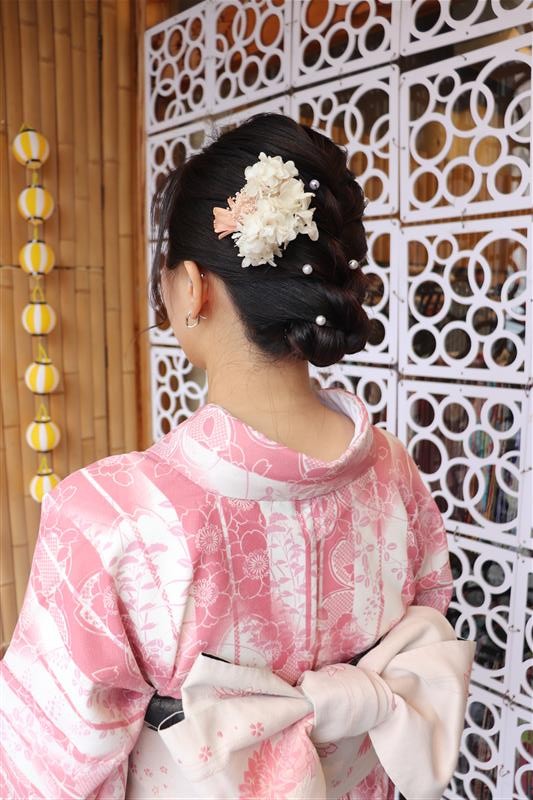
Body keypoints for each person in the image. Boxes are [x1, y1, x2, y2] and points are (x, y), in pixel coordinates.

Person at [0, 113, 471, 800]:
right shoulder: (393, 472)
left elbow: (47, 775)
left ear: (192, 286)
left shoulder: (110, 518)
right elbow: (428, 636)